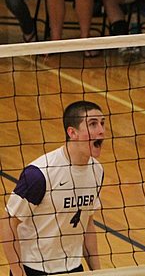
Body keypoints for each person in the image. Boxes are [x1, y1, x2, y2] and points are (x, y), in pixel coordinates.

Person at [0, 101, 106, 275]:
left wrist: (99, 273)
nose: (101, 130)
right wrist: (18, 273)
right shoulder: (39, 174)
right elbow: (7, 224)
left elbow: (87, 222)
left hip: (73, 268)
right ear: (72, 132)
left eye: (102, 123)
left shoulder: (96, 170)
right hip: (34, 268)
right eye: (93, 124)